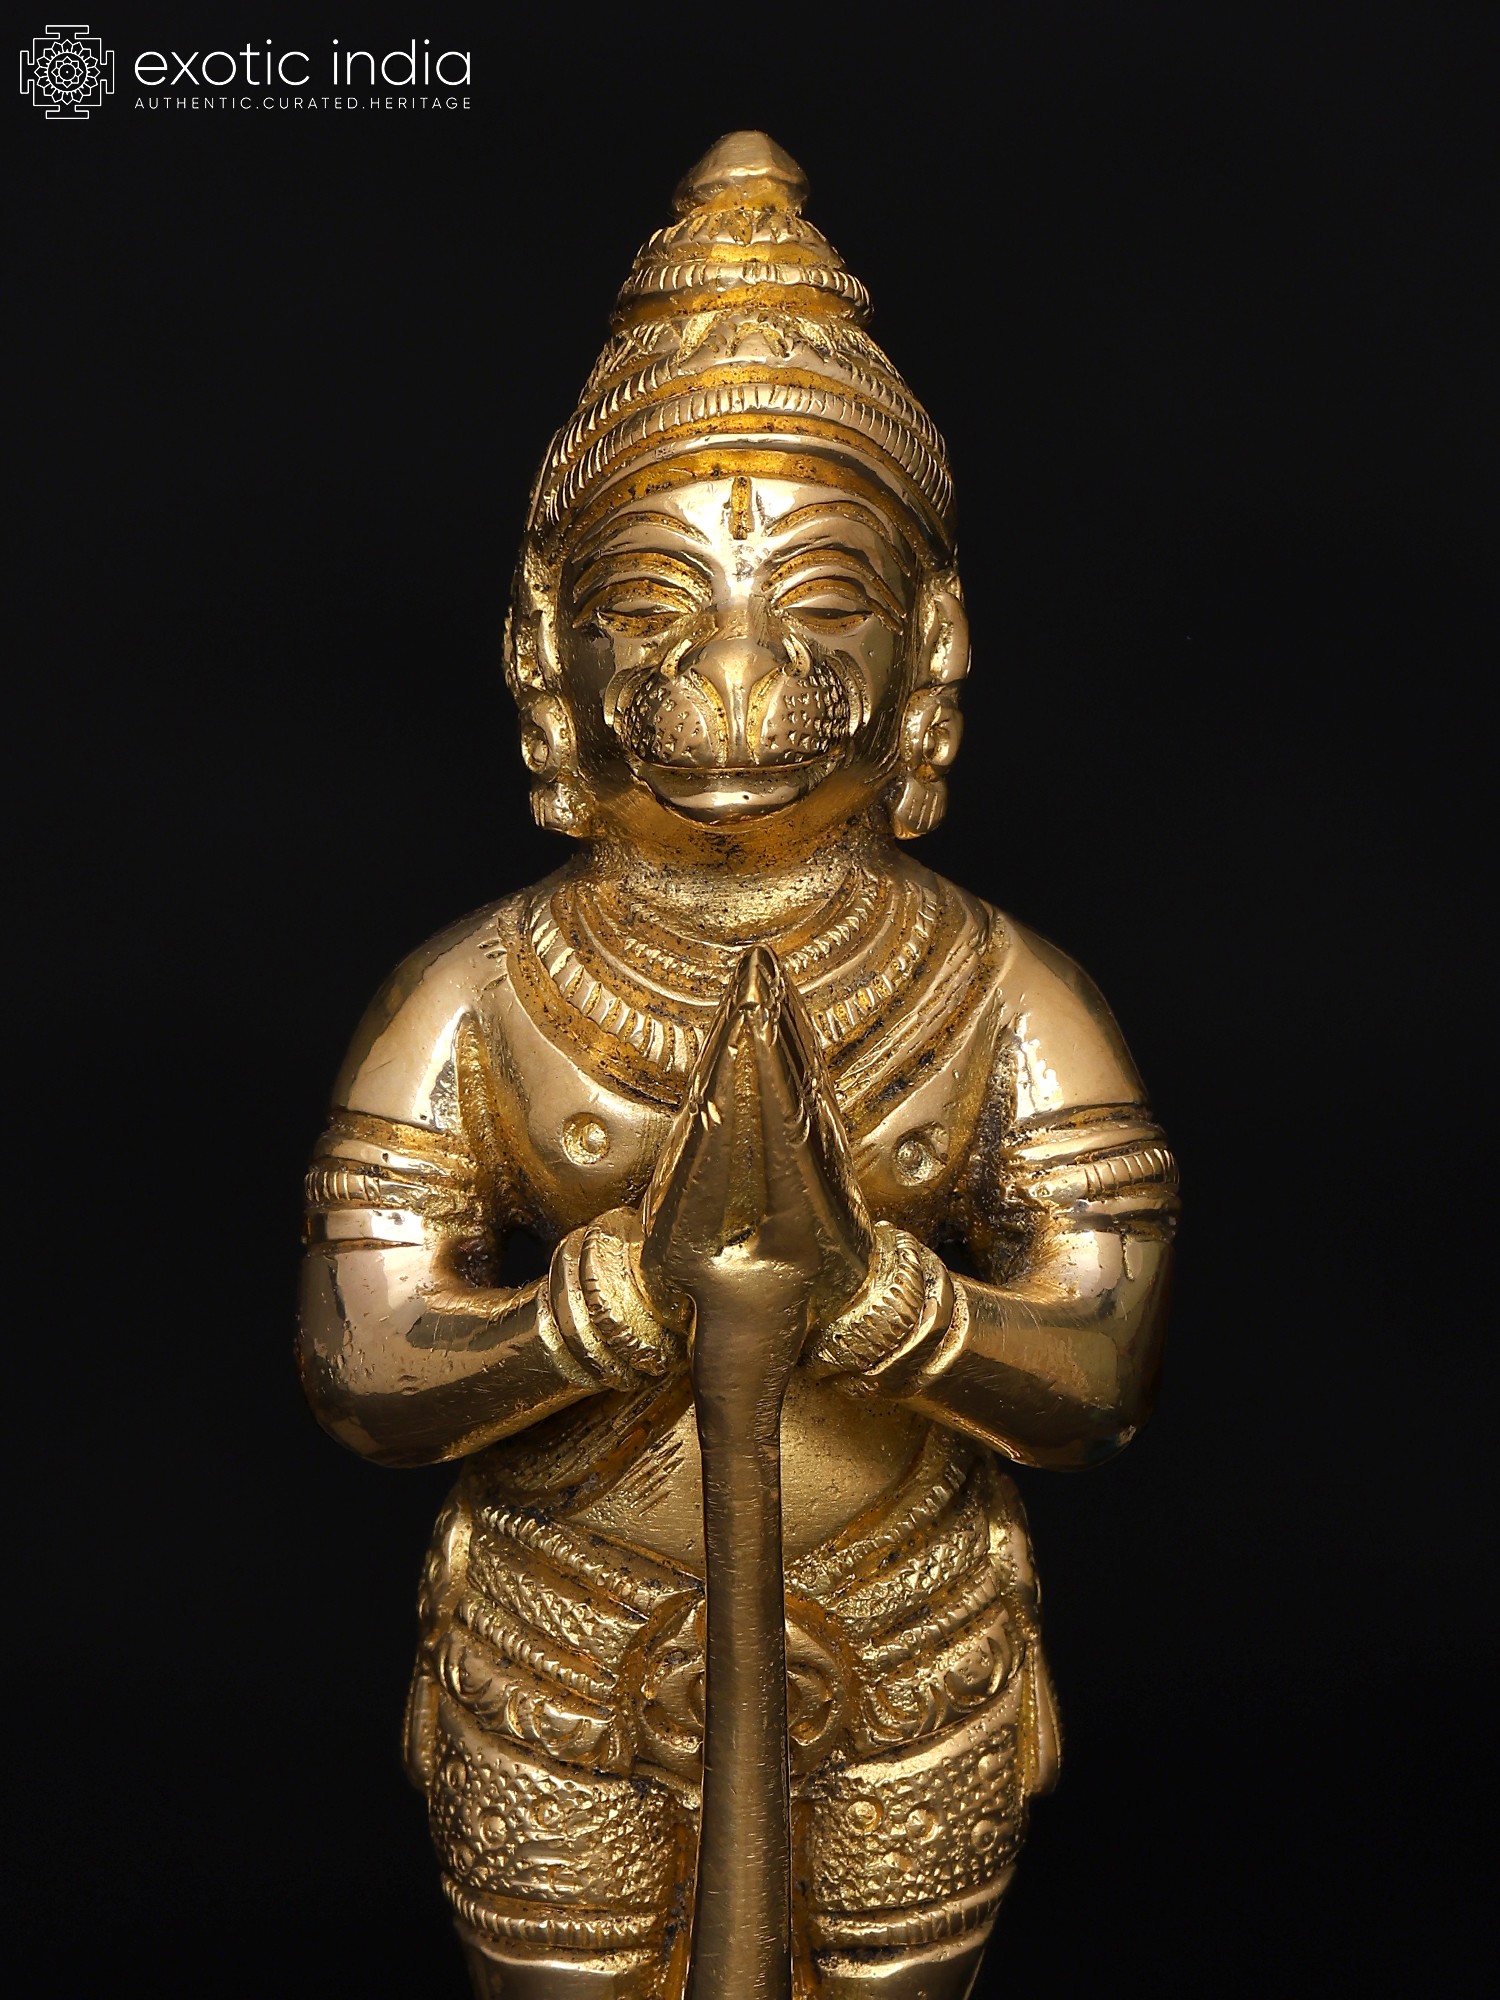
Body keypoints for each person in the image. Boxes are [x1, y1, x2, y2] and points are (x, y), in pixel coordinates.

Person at [298, 131, 1176, 2000]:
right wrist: (601, 1313)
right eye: (653, 610)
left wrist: (888, 1311)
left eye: (821, 603)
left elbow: (1101, 1370)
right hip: (559, 1634)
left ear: (934, 641)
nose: (739, 684)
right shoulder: (473, 998)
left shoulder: (1003, 995)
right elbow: (364, 1364)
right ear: (541, 645)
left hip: (902, 1625)